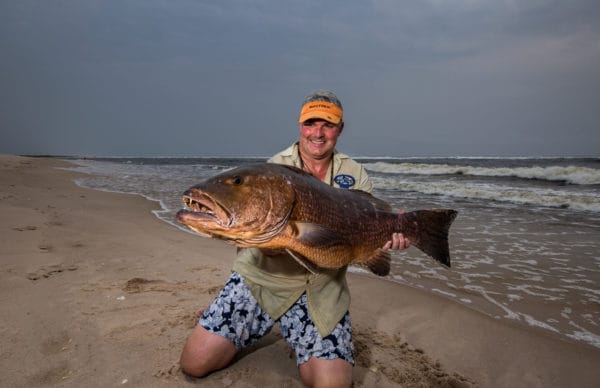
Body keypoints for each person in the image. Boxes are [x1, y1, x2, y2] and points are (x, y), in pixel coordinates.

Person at [180, 90, 409, 387]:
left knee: (333, 385)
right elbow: (250, 237)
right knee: (194, 363)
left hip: (321, 289)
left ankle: (297, 333)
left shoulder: (354, 174)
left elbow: (362, 229)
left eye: (327, 124)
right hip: (261, 280)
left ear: (340, 129)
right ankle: (246, 321)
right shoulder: (274, 168)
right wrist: (277, 237)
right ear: (300, 126)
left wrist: (389, 237)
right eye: (311, 123)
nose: (318, 132)